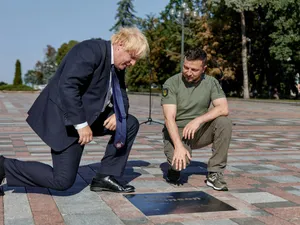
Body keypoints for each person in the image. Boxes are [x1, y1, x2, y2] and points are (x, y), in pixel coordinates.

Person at [0, 27, 149, 195]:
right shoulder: (90, 51)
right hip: (66, 119)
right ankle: (3, 166)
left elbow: (121, 92)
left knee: (128, 123)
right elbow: (68, 87)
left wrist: (119, 114)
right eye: (133, 57)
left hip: (89, 116)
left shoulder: (116, 65)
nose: (133, 63)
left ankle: (105, 177)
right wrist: (81, 124)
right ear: (121, 45)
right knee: (62, 181)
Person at [161, 48, 232, 191]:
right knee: (180, 163)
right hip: (177, 132)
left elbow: (223, 108)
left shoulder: (211, 82)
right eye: (186, 67)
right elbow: (169, 118)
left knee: (224, 122)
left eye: (194, 69)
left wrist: (198, 120)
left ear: (204, 69)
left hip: (199, 131)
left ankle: (215, 173)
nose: (188, 72)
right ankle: (173, 171)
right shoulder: (171, 83)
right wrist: (179, 146)